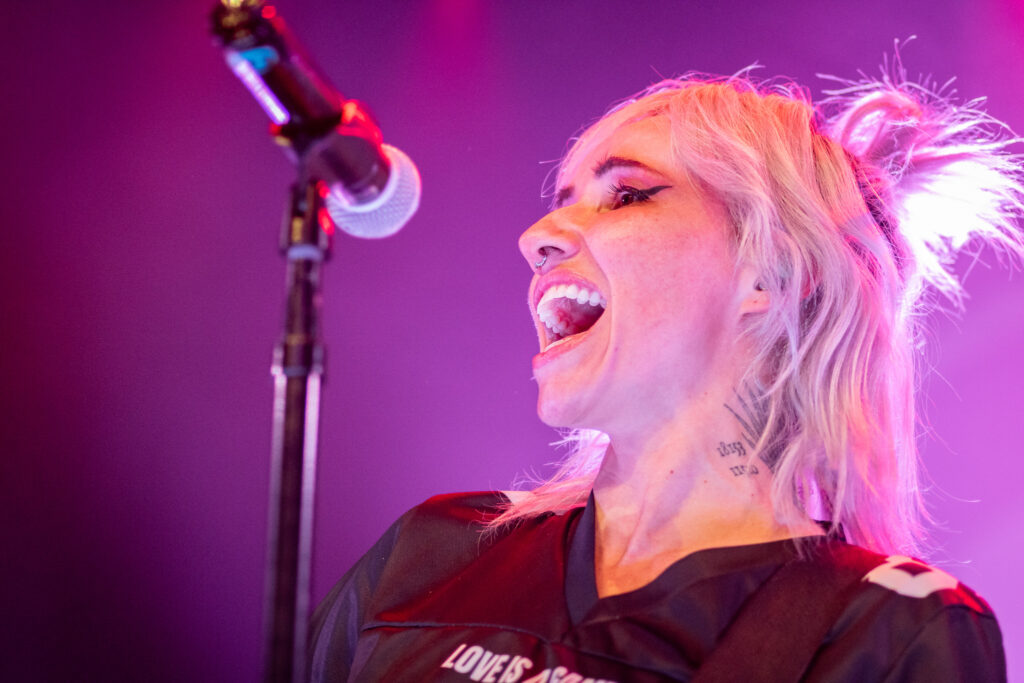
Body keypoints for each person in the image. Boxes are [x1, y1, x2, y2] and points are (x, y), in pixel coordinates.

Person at [306, 68, 1022, 682]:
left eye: (626, 196)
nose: (536, 238)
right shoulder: (433, 552)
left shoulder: (886, 629)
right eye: (560, 204)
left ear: (772, 272)